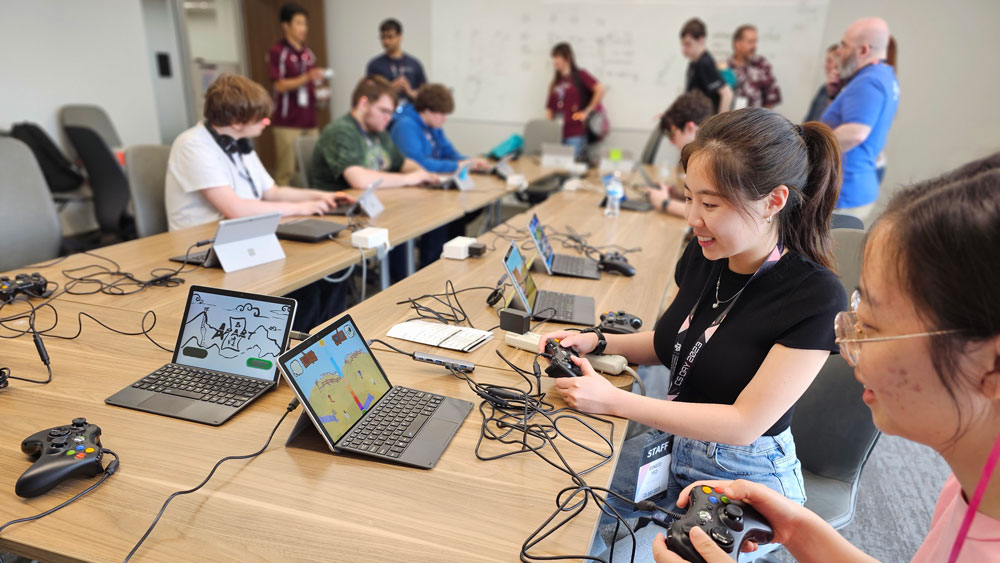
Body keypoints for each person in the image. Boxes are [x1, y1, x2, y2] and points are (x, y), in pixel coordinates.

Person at [652, 157, 1000, 563]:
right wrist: (798, 528)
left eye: (873, 326)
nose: (850, 349)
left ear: (991, 367)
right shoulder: (975, 484)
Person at [539, 108, 847, 561]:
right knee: (566, 513)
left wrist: (613, 400)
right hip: (674, 443)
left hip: (746, 473)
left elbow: (745, 424)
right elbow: (675, 342)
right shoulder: (707, 254)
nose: (692, 218)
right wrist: (601, 341)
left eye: (710, 204)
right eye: (688, 198)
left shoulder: (815, 295)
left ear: (774, 201)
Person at [164, 73, 354, 331]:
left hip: (243, 237)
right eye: (261, 118)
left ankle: (319, 341)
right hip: (203, 247)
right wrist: (301, 209)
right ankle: (293, 348)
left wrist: (319, 197)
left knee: (328, 273)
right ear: (235, 120)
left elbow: (272, 192)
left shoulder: (239, 144)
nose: (267, 122)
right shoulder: (192, 145)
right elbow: (235, 209)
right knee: (304, 286)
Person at [311, 75, 443, 283]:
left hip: (371, 209)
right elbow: (360, 180)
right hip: (339, 217)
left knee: (430, 221)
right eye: (384, 111)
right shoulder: (340, 132)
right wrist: (411, 179)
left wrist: (422, 173)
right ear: (363, 103)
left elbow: (401, 163)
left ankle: (414, 282)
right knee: (403, 229)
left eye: (391, 113)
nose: (388, 118)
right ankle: (399, 290)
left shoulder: (377, 131)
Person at [821, 17, 899, 223]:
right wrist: (832, 95)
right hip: (853, 188)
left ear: (863, 50)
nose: (839, 52)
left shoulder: (869, 82)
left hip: (846, 192)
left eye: (844, 46)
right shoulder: (883, 76)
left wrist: (810, 146)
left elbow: (856, 133)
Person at [267, 2, 328, 186]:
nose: (304, 28)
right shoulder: (278, 52)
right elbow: (280, 86)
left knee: (315, 166)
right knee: (286, 170)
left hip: (309, 118)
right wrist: (307, 76)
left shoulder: (309, 53)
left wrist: (320, 92)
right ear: (286, 25)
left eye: (305, 24)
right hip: (288, 120)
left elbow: (312, 83)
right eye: (299, 23)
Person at [389, 83, 487, 173]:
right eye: (441, 114)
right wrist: (456, 166)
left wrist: (469, 161)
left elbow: (449, 153)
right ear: (426, 111)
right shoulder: (405, 127)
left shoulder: (433, 126)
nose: (444, 119)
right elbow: (417, 164)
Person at [647, 91, 714, 218]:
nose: (672, 143)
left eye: (673, 135)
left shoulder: (711, 159)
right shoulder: (702, 154)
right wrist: (681, 197)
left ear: (690, 127)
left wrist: (664, 202)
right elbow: (705, 202)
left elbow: (706, 214)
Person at [545, 42, 606, 160]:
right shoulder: (555, 82)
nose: (555, 61)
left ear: (568, 57)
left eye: (558, 57)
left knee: (572, 172)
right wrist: (549, 130)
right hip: (557, 135)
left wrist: (587, 111)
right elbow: (550, 110)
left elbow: (600, 89)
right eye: (554, 57)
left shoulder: (580, 75)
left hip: (575, 133)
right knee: (557, 171)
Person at [365, 18, 426, 104]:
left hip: (410, 113)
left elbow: (425, 95)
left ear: (400, 37)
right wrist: (389, 89)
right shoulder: (374, 65)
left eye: (390, 37)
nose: (386, 41)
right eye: (383, 37)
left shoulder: (414, 64)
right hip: (384, 114)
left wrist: (410, 92)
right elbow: (368, 94)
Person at [680, 18, 733, 114]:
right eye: (683, 44)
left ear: (701, 40)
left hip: (706, 122)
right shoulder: (693, 63)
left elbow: (727, 93)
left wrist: (720, 125)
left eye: (688, 44)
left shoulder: (704, 63)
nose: (684, 49)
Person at [727, 24, 781, 109]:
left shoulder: (762, 64)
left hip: (757, 119)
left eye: (755, 42)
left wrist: (763, 120)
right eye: (750, 42)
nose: (754, 46)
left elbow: (771, 97)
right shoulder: (725, 67)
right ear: (737, 44)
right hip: (731, 120)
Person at [803, 44, 841, 123]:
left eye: (829, 61)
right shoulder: (823, 89)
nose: (825, 66)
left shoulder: (845, 92)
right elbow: (808, 120)